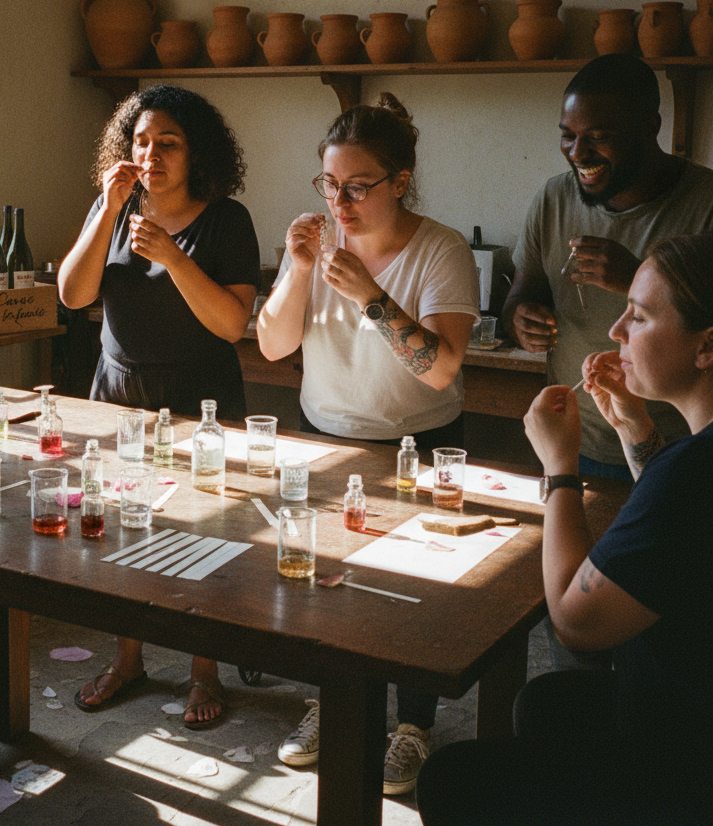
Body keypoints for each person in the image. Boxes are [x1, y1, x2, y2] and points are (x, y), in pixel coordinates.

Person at [417, 232, 713, 825]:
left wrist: (559, 469)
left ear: (706, 347)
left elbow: (576, 623)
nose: (616, 331)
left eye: (641, 316)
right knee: (550, 701)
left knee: (452, 779)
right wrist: (634, 429)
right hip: (689, 706)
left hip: (681, 768)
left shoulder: (691, 473)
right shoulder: (689, 463)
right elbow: (677, 529)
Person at [257, 93, 479, 794]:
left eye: (357, 186)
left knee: (414, 594)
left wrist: (371, 296)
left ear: (400, 181)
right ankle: (332, 702)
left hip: (421, 443)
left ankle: (411, 726)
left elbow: (441, 366)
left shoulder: (440, 249)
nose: (340, 202)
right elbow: (270, 345)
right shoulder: (320, 247)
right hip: (328, 439)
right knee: (326, 582)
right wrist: (296, 269)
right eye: (329, 185)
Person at [59, 85, 260, 729]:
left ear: (196, 153)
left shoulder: (226, 220)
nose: (152, 154)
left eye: (168, 143)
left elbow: (232, 323)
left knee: (205, 534)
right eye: (141, 141)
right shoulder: (113, 208)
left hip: (200, 400)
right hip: (120, 394)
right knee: (122, 531)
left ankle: (205, 670)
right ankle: (128, 659)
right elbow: (72, 293)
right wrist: (105, 212)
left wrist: (172, 256)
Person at [502, 53, 713, 482]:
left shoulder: (704, 203)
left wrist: (639, 278)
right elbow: (521, 296)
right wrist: (520, 320)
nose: (578, 153)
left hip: (679, 450)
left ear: (650, 128)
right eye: (567, 135)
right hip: (575, 441)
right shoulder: (554, 199)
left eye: (598, 136)